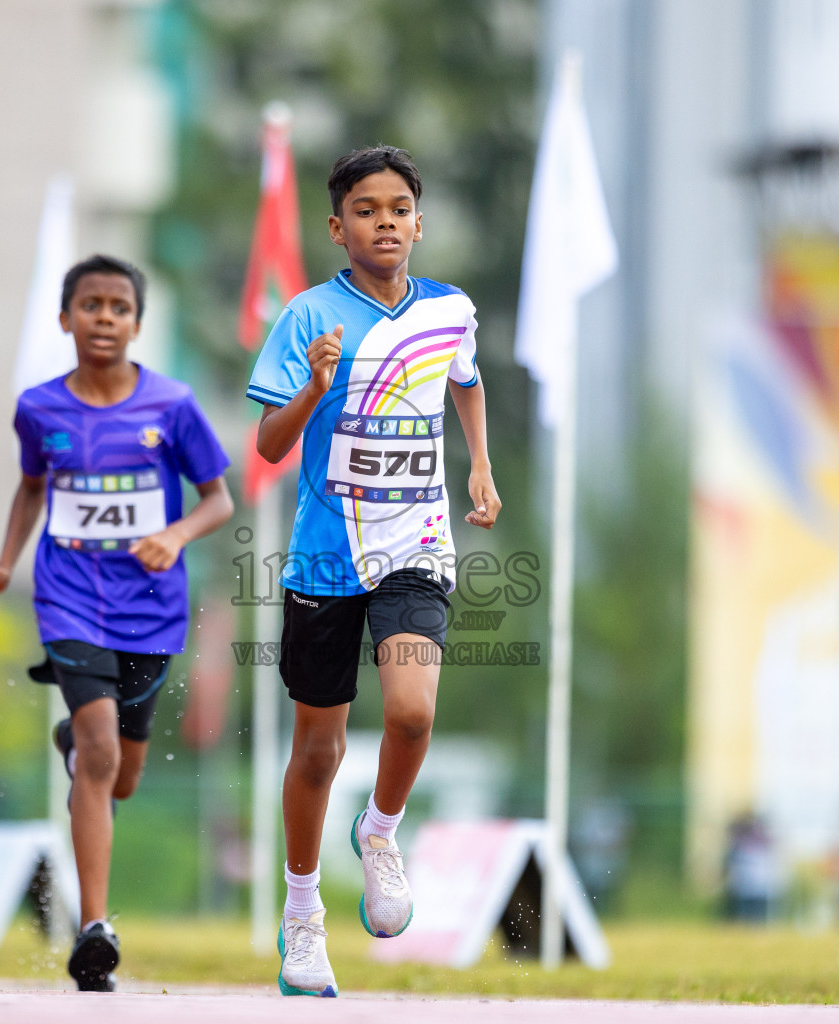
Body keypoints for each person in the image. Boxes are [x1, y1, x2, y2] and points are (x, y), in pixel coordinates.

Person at [247, 145, 501, 997]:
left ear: (419, 224)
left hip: (415, 544)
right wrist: (313, 389)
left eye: (399, 208)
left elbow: (464, 380)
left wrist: (479, 466)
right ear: (337, 226)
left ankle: (382, 831)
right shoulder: (310, 317)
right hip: (325, 553)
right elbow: (270, 446)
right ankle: (303, 911)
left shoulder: (449, 310)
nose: (384, 221)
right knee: (316, 750)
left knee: (413, 713)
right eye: (366, 209)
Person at [0, 254, 233, 992]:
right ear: (65, 318)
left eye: (118, 307)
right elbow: (30, 488)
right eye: (91, 304)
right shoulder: (40, 409)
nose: (104, 318)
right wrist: (4, 564)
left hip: (151, 607)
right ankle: (94, 931)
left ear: (138, 323)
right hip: (69, 598)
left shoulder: (171, 405)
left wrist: (175, 536)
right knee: (101, 752)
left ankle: (77, 746)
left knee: (122, 777)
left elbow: (218, 499)